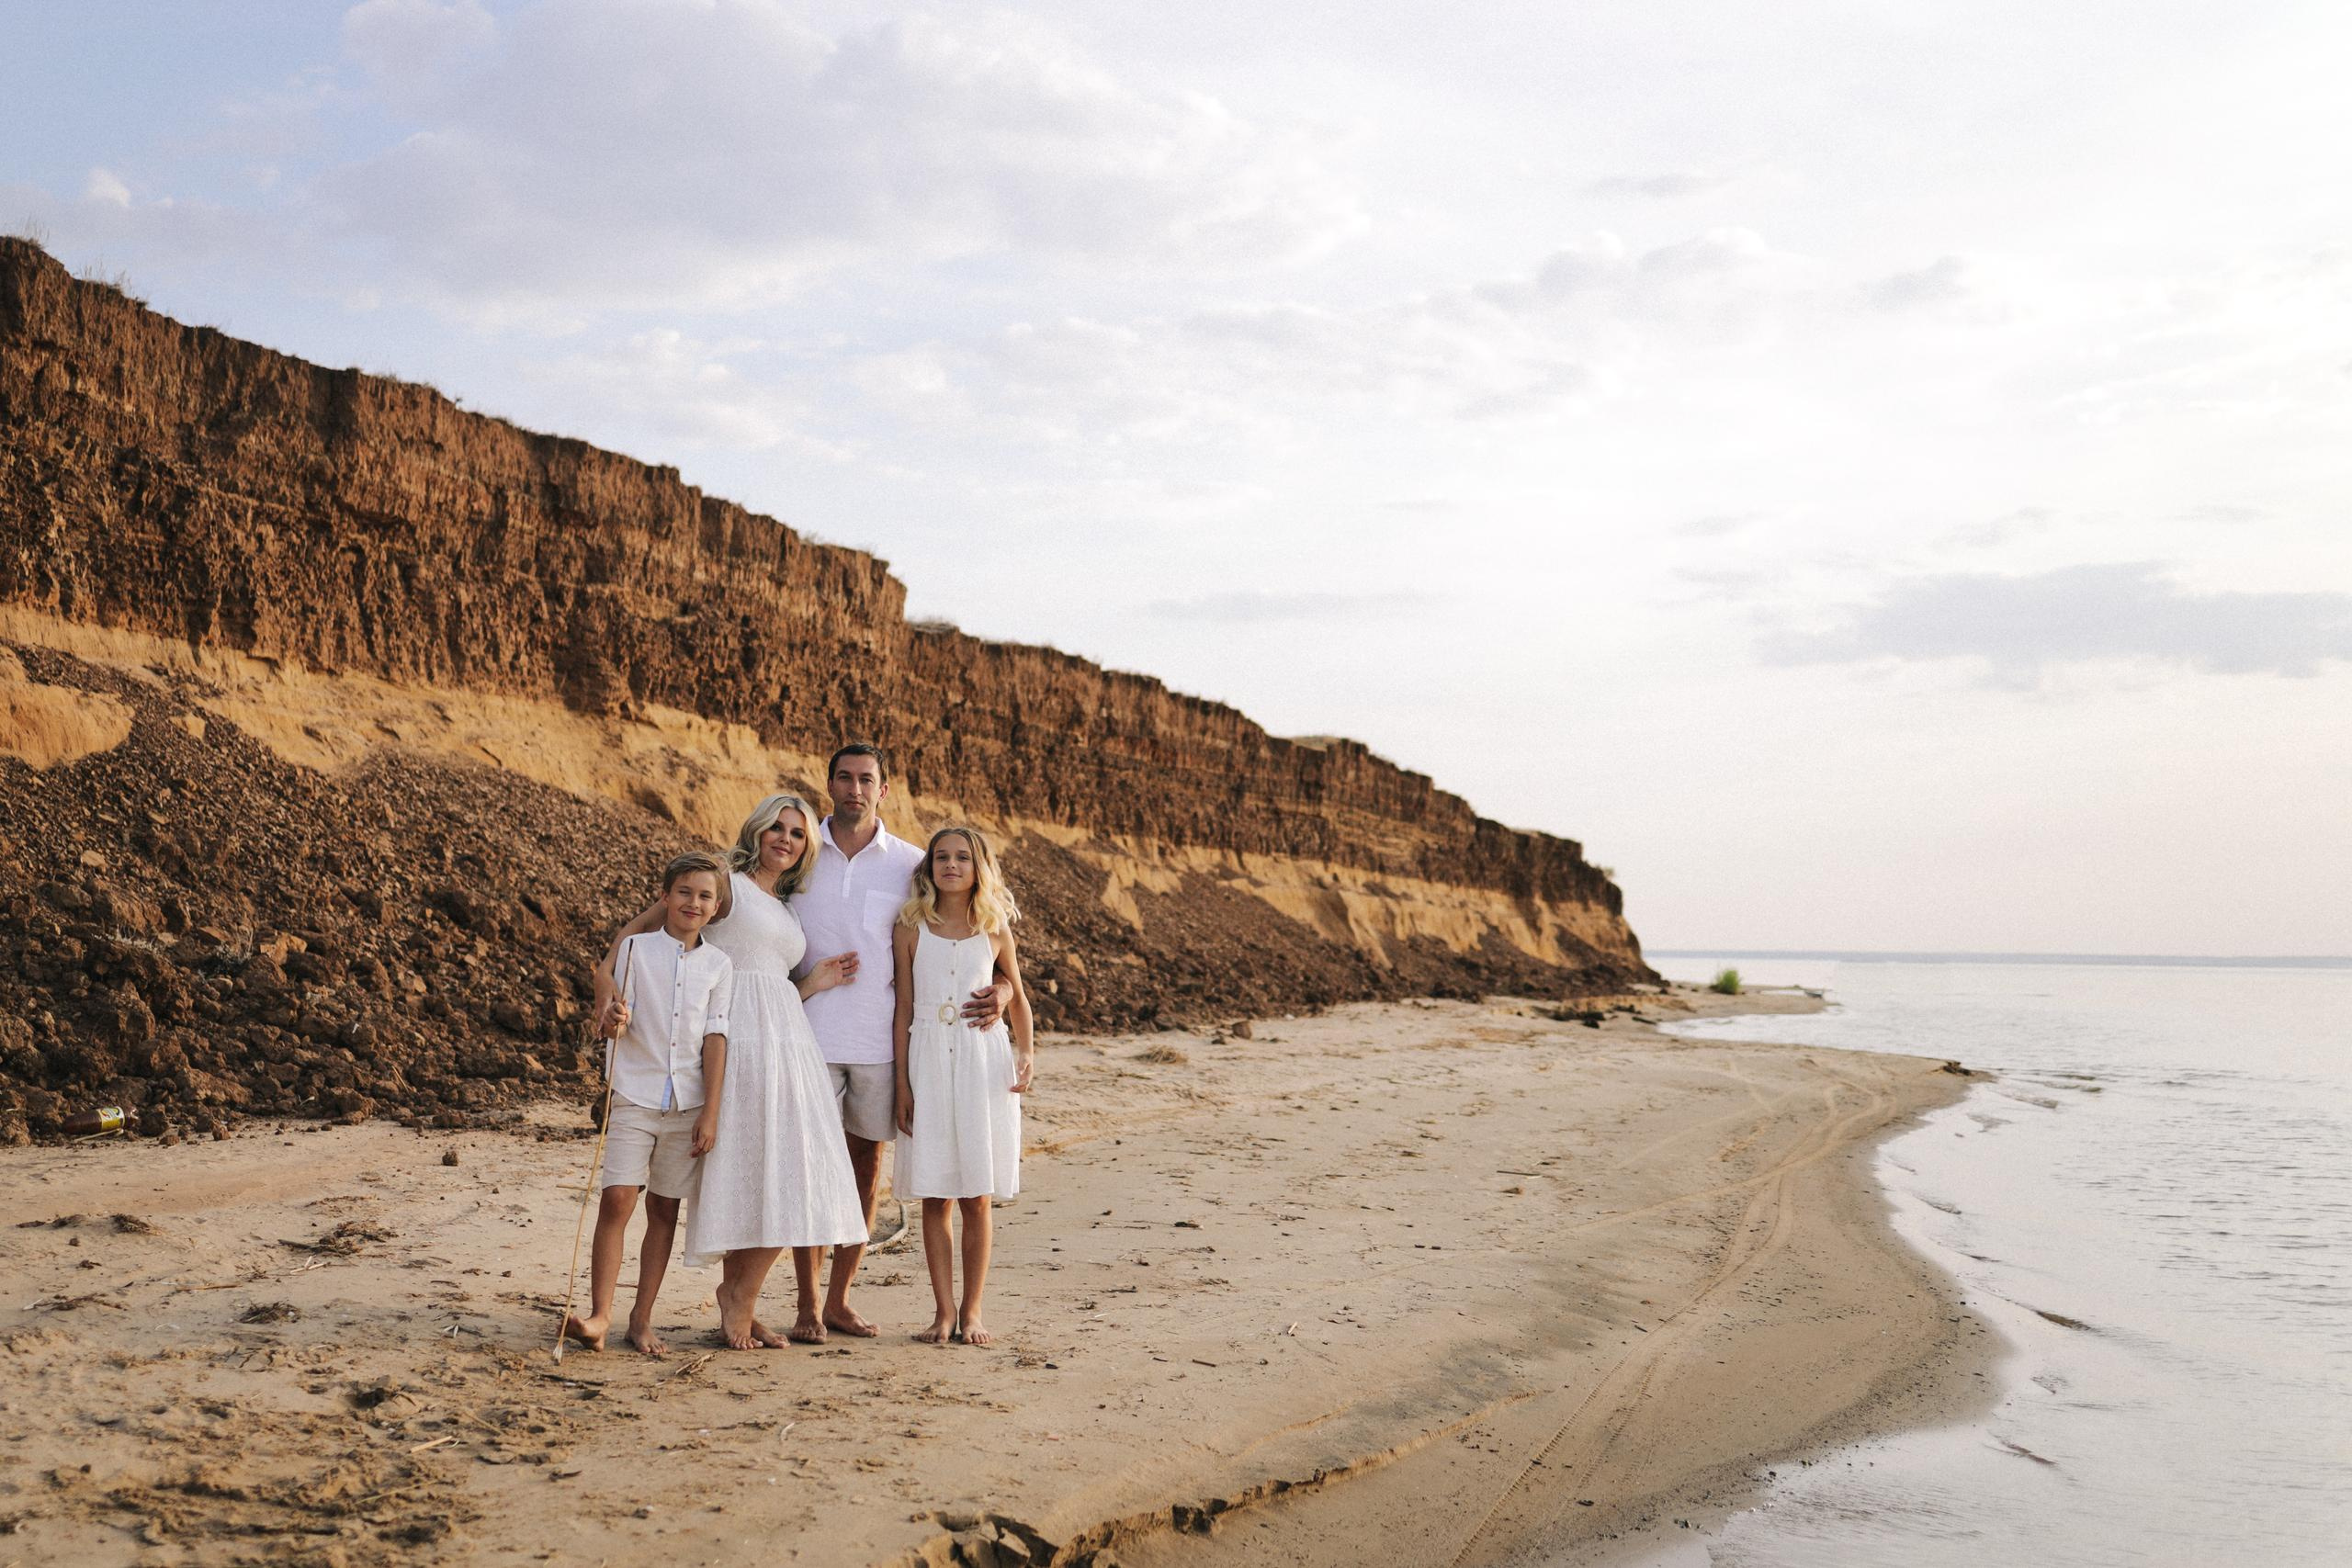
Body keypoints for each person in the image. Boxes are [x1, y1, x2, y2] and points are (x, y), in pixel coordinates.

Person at [596, 795, 868, 1350]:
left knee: (784, 1167)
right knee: (744, 1163)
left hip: (786, 1041)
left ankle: (741, 1294)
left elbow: (771, 982)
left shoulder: (787, 905)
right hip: (730, 1038)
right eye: (776, 827)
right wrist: (611, 993)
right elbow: (633, 938)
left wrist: (814, 982)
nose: (785, 839)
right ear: (757, 829)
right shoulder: (724, 882)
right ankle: (735, 1298)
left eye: (797, 833)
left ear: (806, 847)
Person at [793, 743, 1011, 1339]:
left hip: (881, 1044)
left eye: (867, 779)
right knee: (809, 1169)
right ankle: (808, 1305)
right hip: (807, 1035)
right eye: (844, 777)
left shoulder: (912, 863)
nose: (855, 788)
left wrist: (1004, 996)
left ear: (883, 789)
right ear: (829, 783)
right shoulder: (801, 851)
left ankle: (839, 1300)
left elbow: (983, 951)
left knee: (867, 1170)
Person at [565, 851, 732, 1358]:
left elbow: (716, 1037)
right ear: (664, 897)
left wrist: (711, 1111)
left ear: (716, 906)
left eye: (704, 896)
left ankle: (641, 1319)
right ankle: (600, 1315)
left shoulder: (719, 965)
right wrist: (613, 1018)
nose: (693, 903)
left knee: (664, 1208)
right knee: (617, 1198)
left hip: (689, 1102)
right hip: (634, 1094)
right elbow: (612, 1018)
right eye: (684, 892)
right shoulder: (635, 949)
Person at [893, 826, 1034, 1348]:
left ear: (979, 869)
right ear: (929, 866)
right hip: (928, 1059)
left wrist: (1027, 1053)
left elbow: (1018, 996)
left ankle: (973, 1311)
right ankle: (943, 1312)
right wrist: (902, 1084)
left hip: (982, 1063)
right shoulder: (910, 926)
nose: (951, 865)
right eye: (941, 857)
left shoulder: (994, 927)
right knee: (935, 1195)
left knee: (976, 1195)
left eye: (962, 858)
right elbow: (903, 1009)